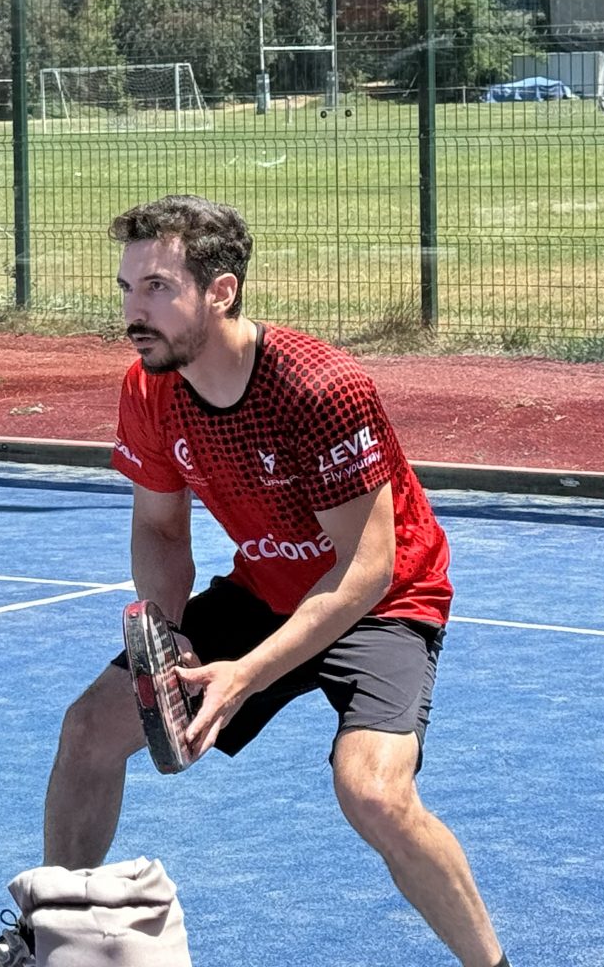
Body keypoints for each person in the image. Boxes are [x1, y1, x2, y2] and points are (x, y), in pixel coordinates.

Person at [40, 195, 507, 967]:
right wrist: (167, 632)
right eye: (126, 288)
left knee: (374, 793)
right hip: (266, 590)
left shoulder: (317, 388)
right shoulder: (150, 387)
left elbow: (365, 568)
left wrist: (244, 675)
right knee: (89, 730)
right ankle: (55, 937)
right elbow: (161, 529)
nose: (133, 311)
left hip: (384, 601)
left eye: (156, 288)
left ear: (220, 291)